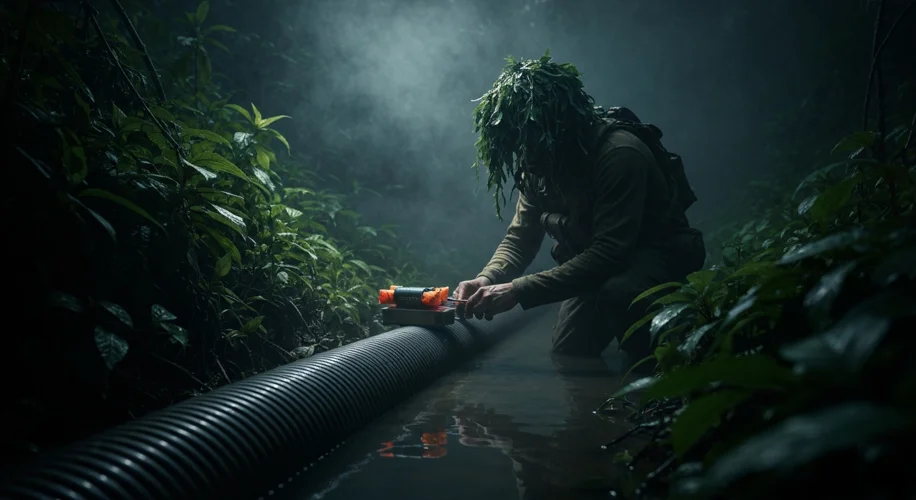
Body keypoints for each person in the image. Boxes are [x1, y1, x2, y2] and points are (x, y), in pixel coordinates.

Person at [454, 53, 706, 363]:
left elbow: (611, 252)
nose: (526, 153)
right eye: (519, 142)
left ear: (560, 126)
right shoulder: (537, 160)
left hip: (651, 259)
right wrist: (487, 280)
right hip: (594, 263)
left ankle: (659, 371)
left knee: (622, 293)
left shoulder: (620, 154)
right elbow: (521, 238)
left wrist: (518, 290)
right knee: (569, 349)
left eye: (532, 139)